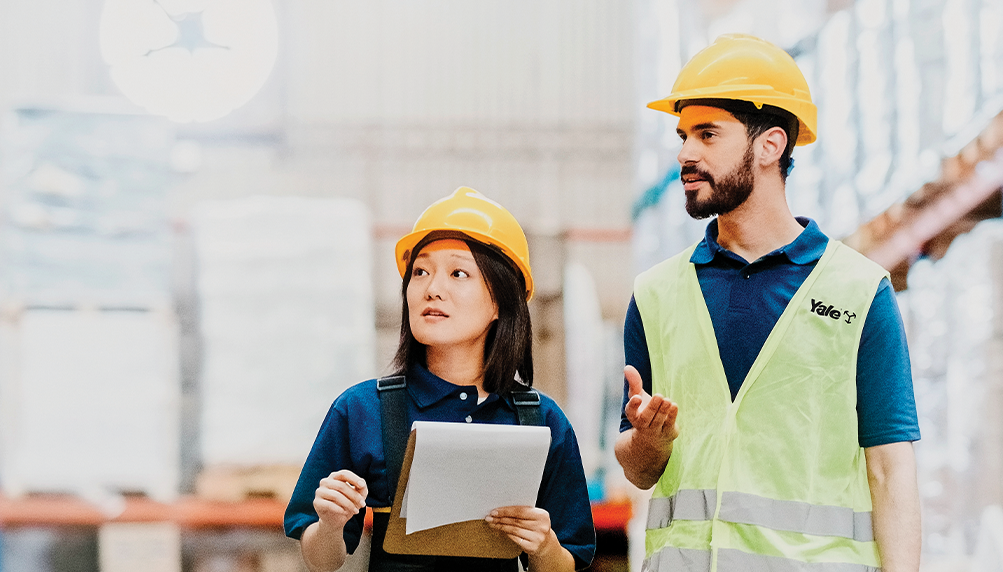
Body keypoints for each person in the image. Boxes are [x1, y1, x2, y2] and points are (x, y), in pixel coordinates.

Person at [615, 34, 922, 572]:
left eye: (708, 134)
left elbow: (890, 470)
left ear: (770, 145)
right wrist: (649, 442)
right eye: (684, 135)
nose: (687, 153)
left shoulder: (858, 290)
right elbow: (639, 471)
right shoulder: (656, 295)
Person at [285, 187, 596, 572]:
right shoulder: (362, 410)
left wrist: (544, 546)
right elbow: (321, 560)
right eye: (420, 271)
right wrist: (331, 524)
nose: (432, 288)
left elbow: (566, 563)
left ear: (501, 299)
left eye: (458, 273)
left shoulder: (542, 421)